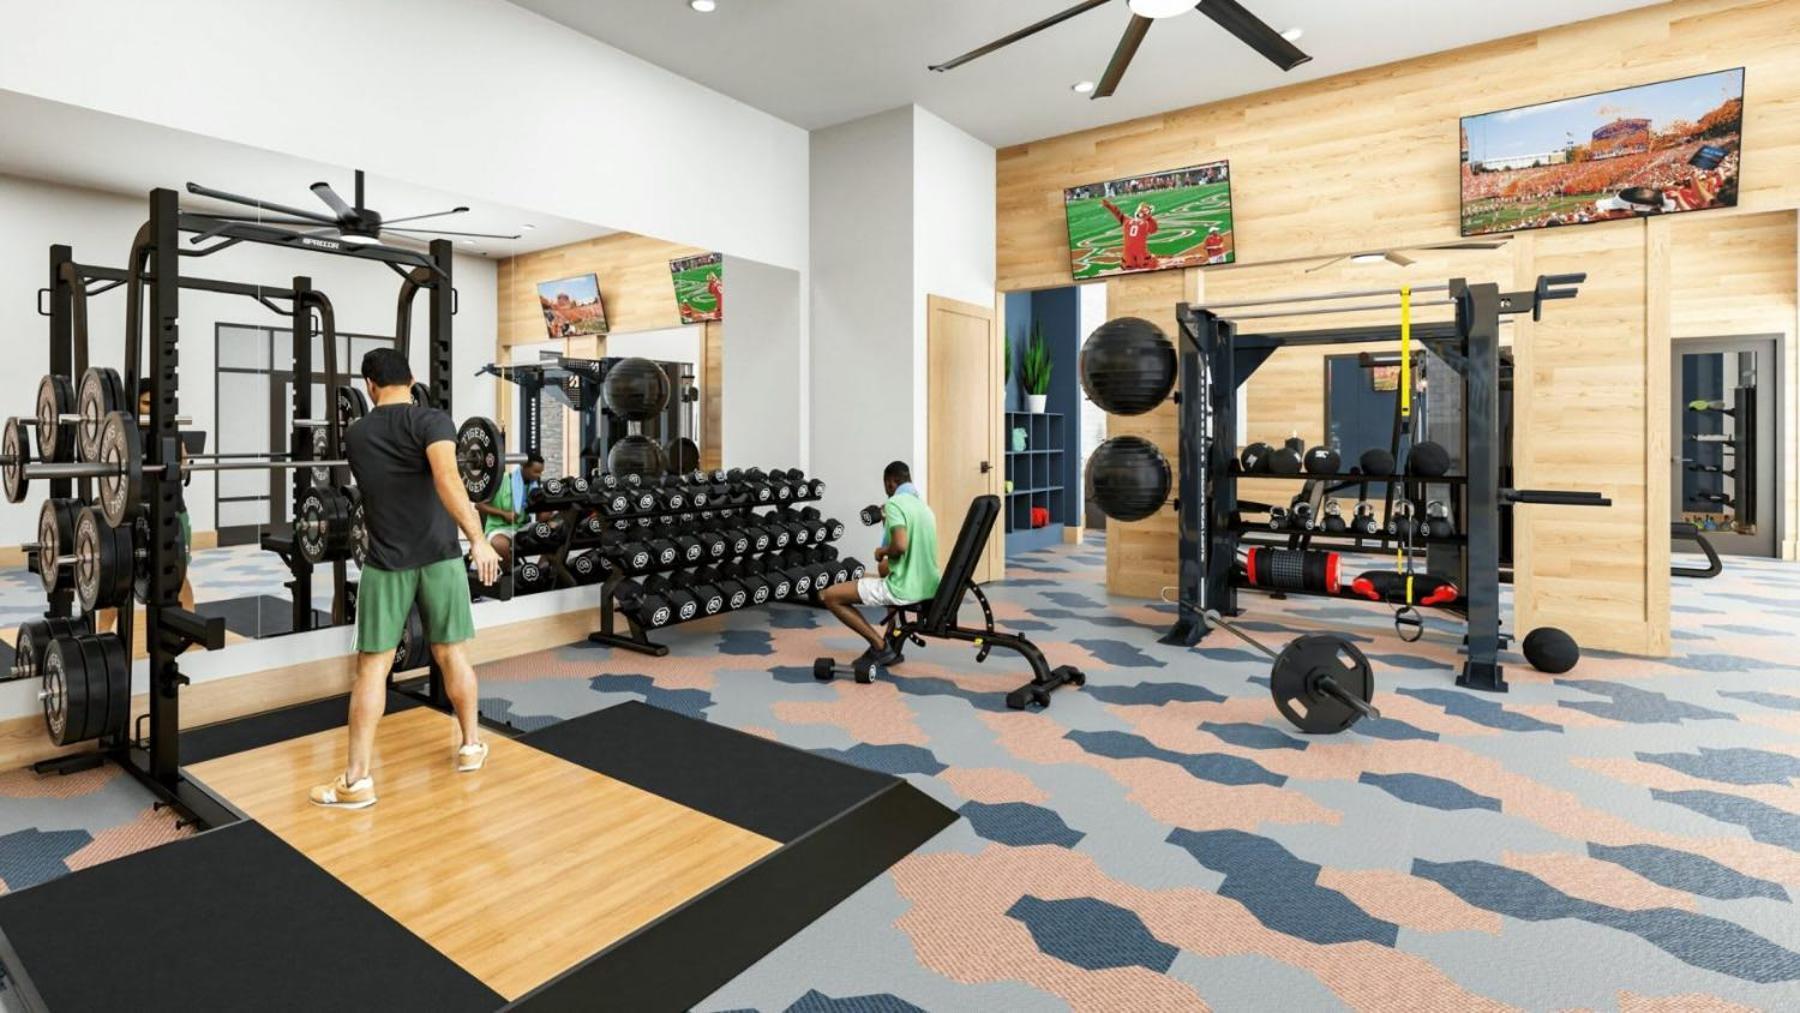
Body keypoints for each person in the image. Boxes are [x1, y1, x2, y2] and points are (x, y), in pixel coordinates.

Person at [309, 348, 502, 809]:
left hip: (386, 563)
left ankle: (357, 781)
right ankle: (471, 746)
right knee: (451, 652)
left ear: (369, 386)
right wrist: (477, 538)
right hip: (440, 557)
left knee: (373, 667)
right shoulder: (433, 421)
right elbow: (449, 478)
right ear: (412, 379)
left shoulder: (356, 434)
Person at [819, 461, 941, 667]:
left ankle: (879, 646)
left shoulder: (895, 504)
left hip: (904, 589)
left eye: (886, 488)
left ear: (891, 483)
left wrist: (882, 551)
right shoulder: (925, 508)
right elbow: (893, 563)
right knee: (878, 574)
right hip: (928, 586)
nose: (887, 493)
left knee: (830, 596)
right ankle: (889, 636)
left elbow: (900, 546)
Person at [99, 384, 195, 632]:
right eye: (145, 404)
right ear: (134, 406)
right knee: (119, 576)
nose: (151, 410)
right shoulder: (119, 437)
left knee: (178, 573)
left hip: (171, 513)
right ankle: (101, 632)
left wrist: (184, 462)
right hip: (131, 516)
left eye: (155, 405)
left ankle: (191, 626)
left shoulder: (172, 433)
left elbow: (183, 471)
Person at [476, 451, 545, 565]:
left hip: (522, 528)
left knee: (552, 538)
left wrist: (544, 512)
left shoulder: (535, 488)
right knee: (501, 545)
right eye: (536, 472)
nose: (539, 475)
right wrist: (504, 514)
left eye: (541, 472)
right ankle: (513, 571)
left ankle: (539, 571)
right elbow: (479, 505)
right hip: (499, 529)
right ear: (524, 467)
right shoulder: (501, 480)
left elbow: (539, 517)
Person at [1101, 197, 1159, 272]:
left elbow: (1117, 212)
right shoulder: (1146, 223)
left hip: (1128, 259)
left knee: (1126, 264)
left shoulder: (1127, 221)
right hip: (1142, 258)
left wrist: (1108, 205)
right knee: (1154, 261)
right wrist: (1149, 218)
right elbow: (1154, 230)